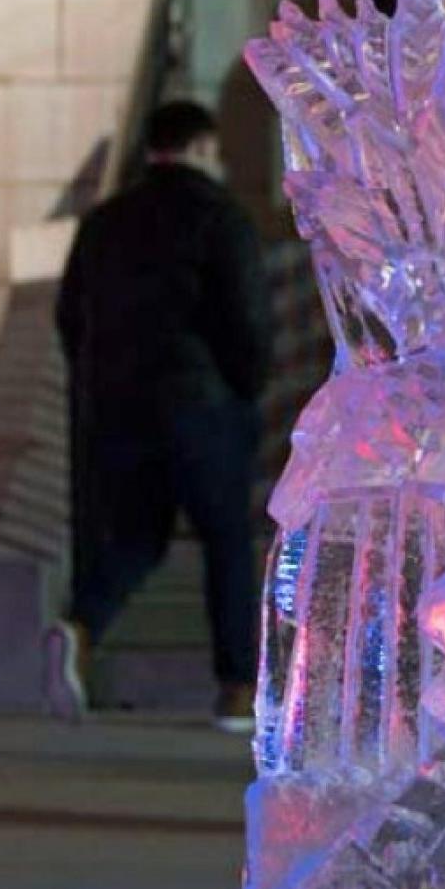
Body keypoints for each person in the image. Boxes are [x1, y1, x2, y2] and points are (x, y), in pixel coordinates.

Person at [44, 98, 273, 732]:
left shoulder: (104, 222)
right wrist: (248, 387)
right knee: (226, 541)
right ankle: (235, 688)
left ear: (151, 152)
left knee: (137, 539)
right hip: (204, 407)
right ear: (202, 150)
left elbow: (70, 317)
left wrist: (101, 386)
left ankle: (80, 625)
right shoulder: (221, 218)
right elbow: (246, 317)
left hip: (119, 410)